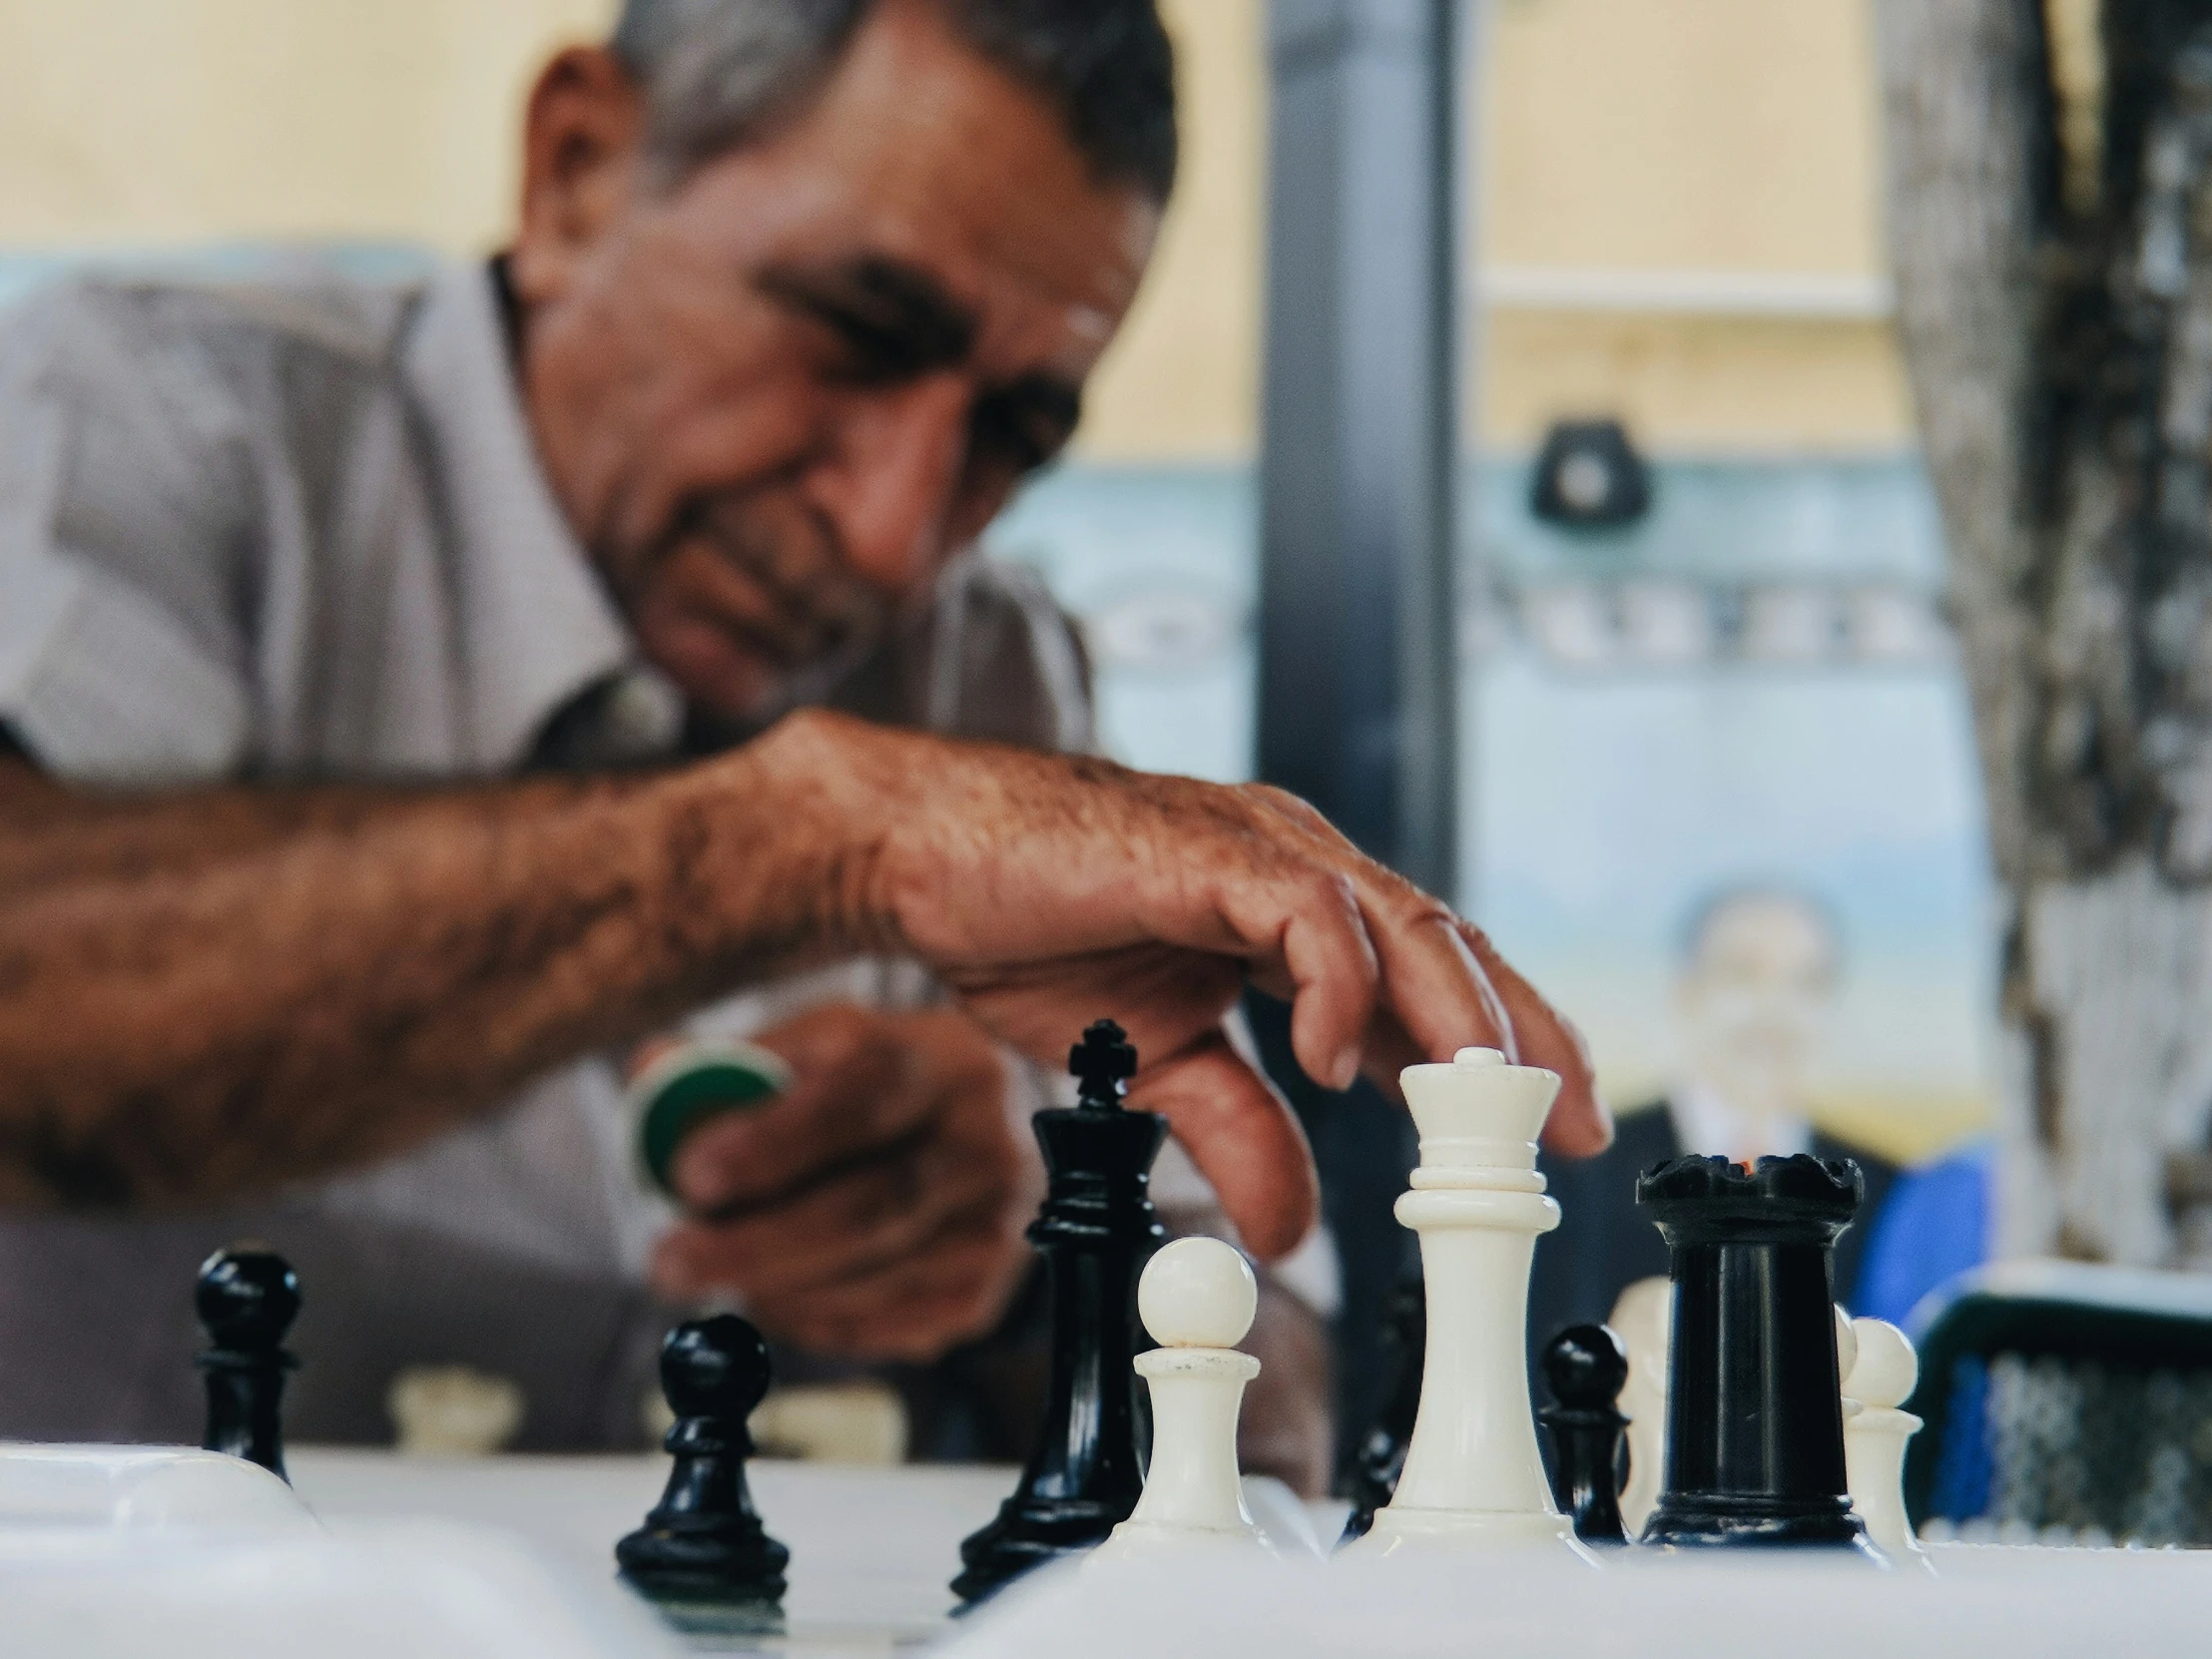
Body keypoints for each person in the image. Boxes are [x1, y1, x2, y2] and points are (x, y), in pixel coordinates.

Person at [0, 0, 1604, 1466]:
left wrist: (1028, 1255)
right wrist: (805, 839)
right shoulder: (150, 432)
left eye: (1010, 436)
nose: (897, 535)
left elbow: (1279, 1390)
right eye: (852, 331)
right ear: (577, 170)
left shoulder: (991, 676)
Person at [1530, 885, 1910, 1350]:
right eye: (1742, 976)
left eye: (1806, 983)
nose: (1775, 1010)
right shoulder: (1584, 1171)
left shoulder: (1886, 1189)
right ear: (1686, 992)